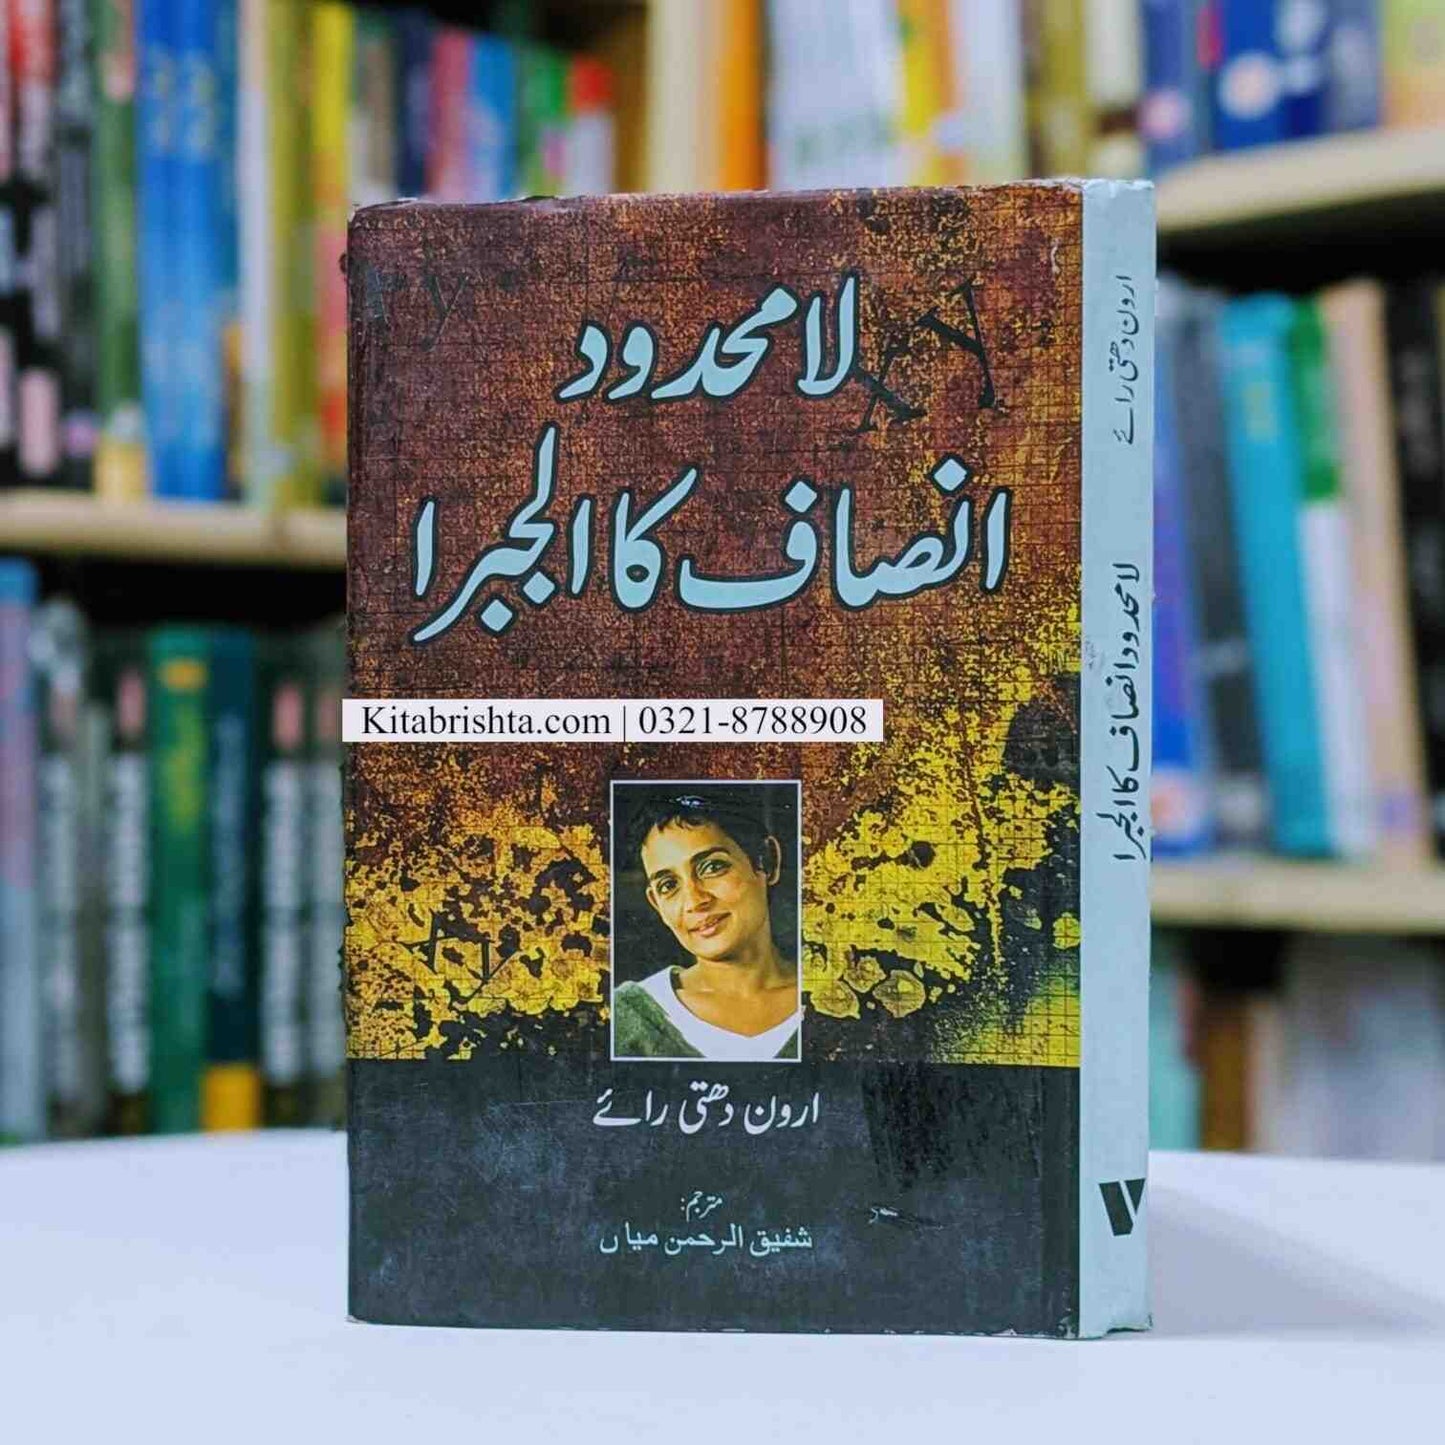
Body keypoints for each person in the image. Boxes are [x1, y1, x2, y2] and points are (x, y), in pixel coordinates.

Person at [613, 790, 800, 1060]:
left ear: (766, 861)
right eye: (668, 885)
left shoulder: (838, 1002)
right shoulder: (625, 1017)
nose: (694, 901)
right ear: (657, 905)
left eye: (712, 867)